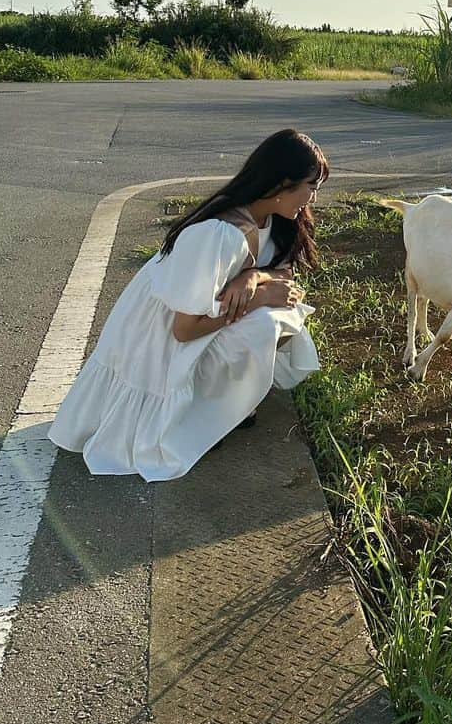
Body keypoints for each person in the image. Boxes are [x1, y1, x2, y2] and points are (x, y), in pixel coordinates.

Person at [49, 129, 327, 481]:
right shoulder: (219, 233)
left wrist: (252, 278)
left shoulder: (275, 220)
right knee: (265, 321)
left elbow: (281, 274)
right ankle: (197, 412)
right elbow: (183, 329)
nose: (313, 198)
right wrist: (258, 299)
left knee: (282, 315)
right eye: (311, 186)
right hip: (160, 335)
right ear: (283, 182)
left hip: (200, 318)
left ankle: (223, 402)